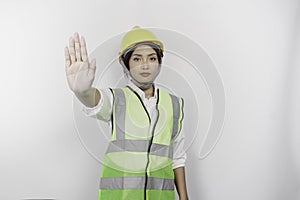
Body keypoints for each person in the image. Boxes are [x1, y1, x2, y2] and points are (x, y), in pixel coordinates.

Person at [64, 26, 189, 200]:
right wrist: (82, 91)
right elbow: (96, 101)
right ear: (125, 63)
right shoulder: (116, 98)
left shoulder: (175, 104)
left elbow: (177, 157)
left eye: (152, 58)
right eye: (137, 59)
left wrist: (184, 198)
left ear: (159, 62)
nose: (145, 65)